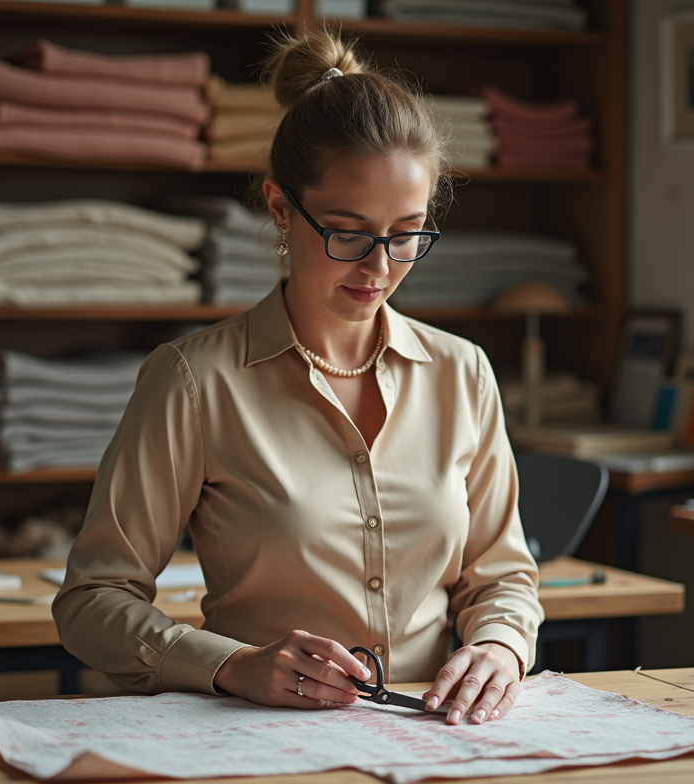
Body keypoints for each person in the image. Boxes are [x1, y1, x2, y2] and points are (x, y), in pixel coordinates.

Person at [53, 28, 543, 726]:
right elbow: (91, 602)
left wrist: (499, 646)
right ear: (281, 208)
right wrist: (229, 664)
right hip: (256, 740)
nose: (379, 268)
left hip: (438, 739)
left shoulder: (463, 373)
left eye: (407, 234)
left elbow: (502, 573)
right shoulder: (193, 382)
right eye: (348, 233)